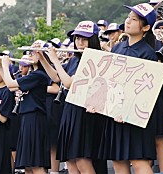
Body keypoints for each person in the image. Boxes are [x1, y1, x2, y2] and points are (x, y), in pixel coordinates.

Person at [39, 20, 103, 174]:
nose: (79, 42)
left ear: (93, 40)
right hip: (70, 110)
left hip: (84, 112)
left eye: (84, 39)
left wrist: (55, 59)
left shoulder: (93, 58)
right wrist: (42, 57)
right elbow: (56, 78)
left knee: (82, 160)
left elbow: (69, 83)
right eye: (77, 38)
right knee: (70, 160)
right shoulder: (75, 59)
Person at [108, 3, 158, 173]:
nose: (128, 22)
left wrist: (128, 111)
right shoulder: (117, 48)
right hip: (115, 113)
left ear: (146, 28)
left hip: (136, 116)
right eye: (128, 17)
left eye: (134, 19)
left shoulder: (148, 53)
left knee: (138, 161)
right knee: (118, 161)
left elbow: (146, 92)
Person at [0, 40, 51, 174]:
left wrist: (6, 65)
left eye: (34, 52)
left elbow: (10, 84)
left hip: (36, 119)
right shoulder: (32, 75)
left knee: (36, 164)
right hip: (27, 118)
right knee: (27, 166)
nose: (30, 55)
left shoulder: (38, 75)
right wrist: (0, 66)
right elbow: (11, 88)